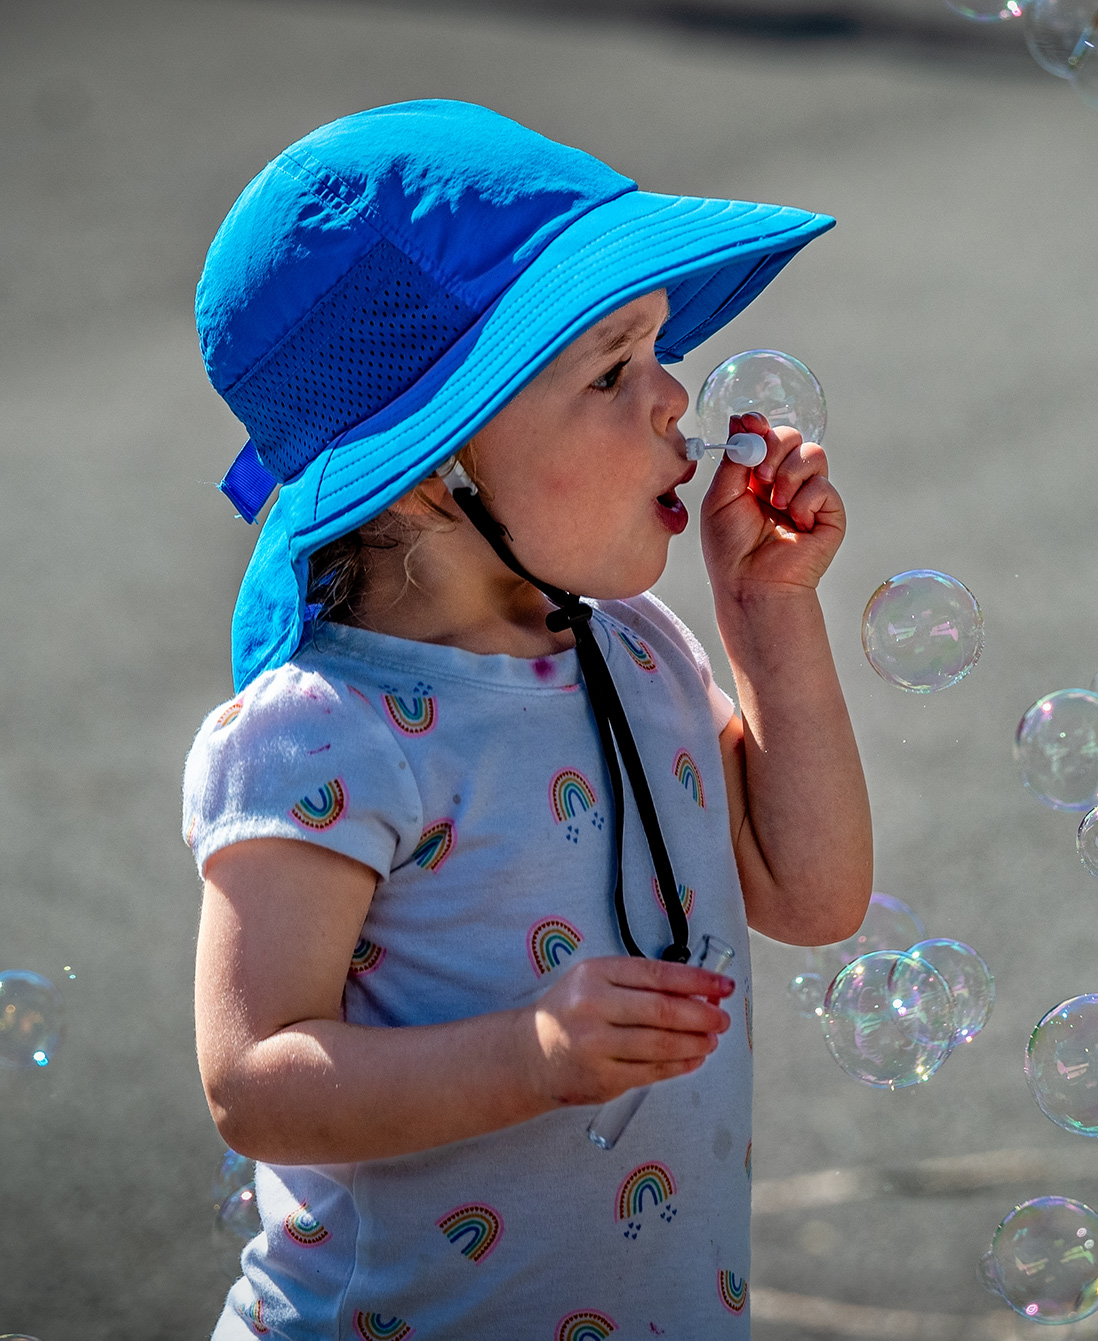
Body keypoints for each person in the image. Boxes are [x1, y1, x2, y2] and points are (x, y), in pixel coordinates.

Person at [181, 100, 871, 1338]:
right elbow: (253, 1081)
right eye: (612, 369)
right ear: (435, 472)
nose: (674, 400)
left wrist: (765, 612)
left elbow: (810, 894)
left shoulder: (639, 647)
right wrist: (530, 1053)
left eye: (658, 349)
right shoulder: (326, 735)